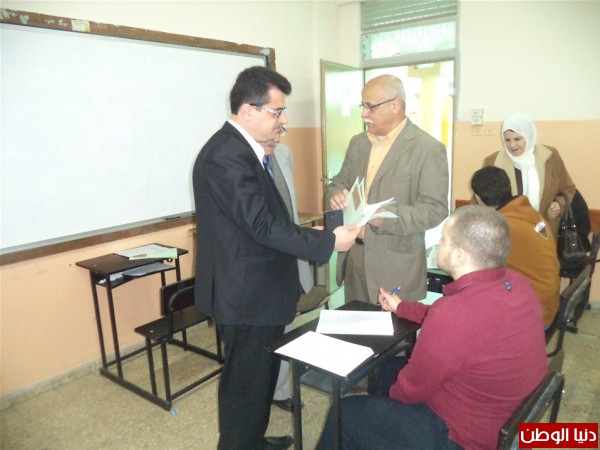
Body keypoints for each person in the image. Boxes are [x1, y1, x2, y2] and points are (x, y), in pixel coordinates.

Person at [192, 66, 359, 450]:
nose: (283, 120)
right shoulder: (226, 155)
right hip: (245, 296)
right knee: (245, 384)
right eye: (277, 111)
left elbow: (265, 220)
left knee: (261, 378)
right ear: (248, 110)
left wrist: (315, 234)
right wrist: (328, 243)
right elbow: (262, 226)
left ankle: (253, 440)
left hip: (258, 291)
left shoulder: (247, 151)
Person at [317, 205, 547, 450]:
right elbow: (456, 322)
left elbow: (411, 390)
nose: (439, 242)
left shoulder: (453, 314)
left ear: (459, 256)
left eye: (444, 239)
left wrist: (392, 403)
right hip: (504, 420)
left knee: (344, 413)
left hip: (464, 437)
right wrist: (402, 307)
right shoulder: (517, 284)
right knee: (385, 372)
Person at [326, 74, 448, 304]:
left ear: (395, 105)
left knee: (394, 329)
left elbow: (436, 209)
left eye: (370, 106)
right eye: (362, 106)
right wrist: (335, 195)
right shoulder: (358, 143)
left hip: (395, 267)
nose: (363, 114)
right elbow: (339, 182)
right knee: (356, 324)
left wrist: (388, 217)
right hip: (355, 260)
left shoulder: (428, 149)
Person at [471, 166, 560, 327]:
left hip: (532, 315)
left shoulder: (501, 228)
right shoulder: (529, 213)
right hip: (547, 304)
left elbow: (477, 270)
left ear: (478, 198)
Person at [269, 142, 313, 412]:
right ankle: (260, 392)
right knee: (259, 336)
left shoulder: (284, 152)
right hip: (261, 267)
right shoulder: (239, 158)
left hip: (289, 260)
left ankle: (280, 390)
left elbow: (289, 211)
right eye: (275, 120)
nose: (281, 124)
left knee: (286, 326)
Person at [482, 112, 576, 238]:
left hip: (544, 233)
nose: (512, 145)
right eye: (507, 140)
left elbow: (568, 188)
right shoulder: (493, 162)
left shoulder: (549, 157)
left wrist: (559, 204)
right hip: (507, 235)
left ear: (528, 136)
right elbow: (480, 198)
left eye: (517, 139)